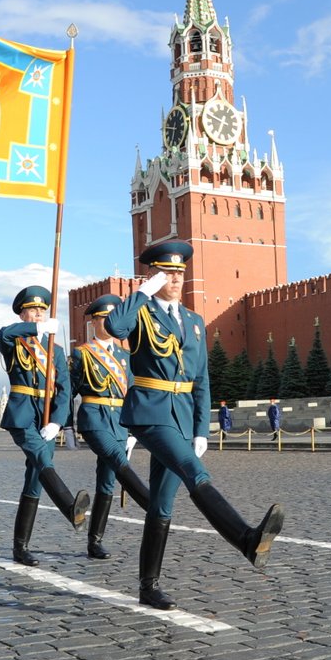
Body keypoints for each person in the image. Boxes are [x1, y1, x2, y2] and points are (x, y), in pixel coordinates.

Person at [105, 240, 284, 610]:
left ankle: (148, 586)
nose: (174, 278)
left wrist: (202, 428)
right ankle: (246, 540)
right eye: (166, 273)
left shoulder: (194, 322)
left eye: (178, 273)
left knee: (161, 504)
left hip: (183, 417)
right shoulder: (139, 311)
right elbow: (114, 326)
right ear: (154, 275)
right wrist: (142, 292)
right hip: (150, 412)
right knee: (193, 472)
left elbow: (202, 379)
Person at [0, 285, 89, 567]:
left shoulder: (56, 350)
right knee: (40, 458)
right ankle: (68, 506)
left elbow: (64, 388)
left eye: (42, 311)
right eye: (32, 310)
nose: (37, 314)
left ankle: (20, 547)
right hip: (23, 414)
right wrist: (37, 330)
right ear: (22, 314)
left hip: (47, 417)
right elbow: (4, 334)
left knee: (35, 478)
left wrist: (58, 421)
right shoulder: (14, 342)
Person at [71, 294, 151, 559]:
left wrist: (132, 430)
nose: (106, 323)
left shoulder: (126, 356)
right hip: (93, 417)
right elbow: (67, 392)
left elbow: (133, 393)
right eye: (102, 318)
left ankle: (95, 541)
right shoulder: (82, 353)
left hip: (119, 421)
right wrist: (62, 424)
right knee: (117, 461)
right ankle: (151, 503)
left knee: (107, 480)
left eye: (111, 318)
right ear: (93, 323)